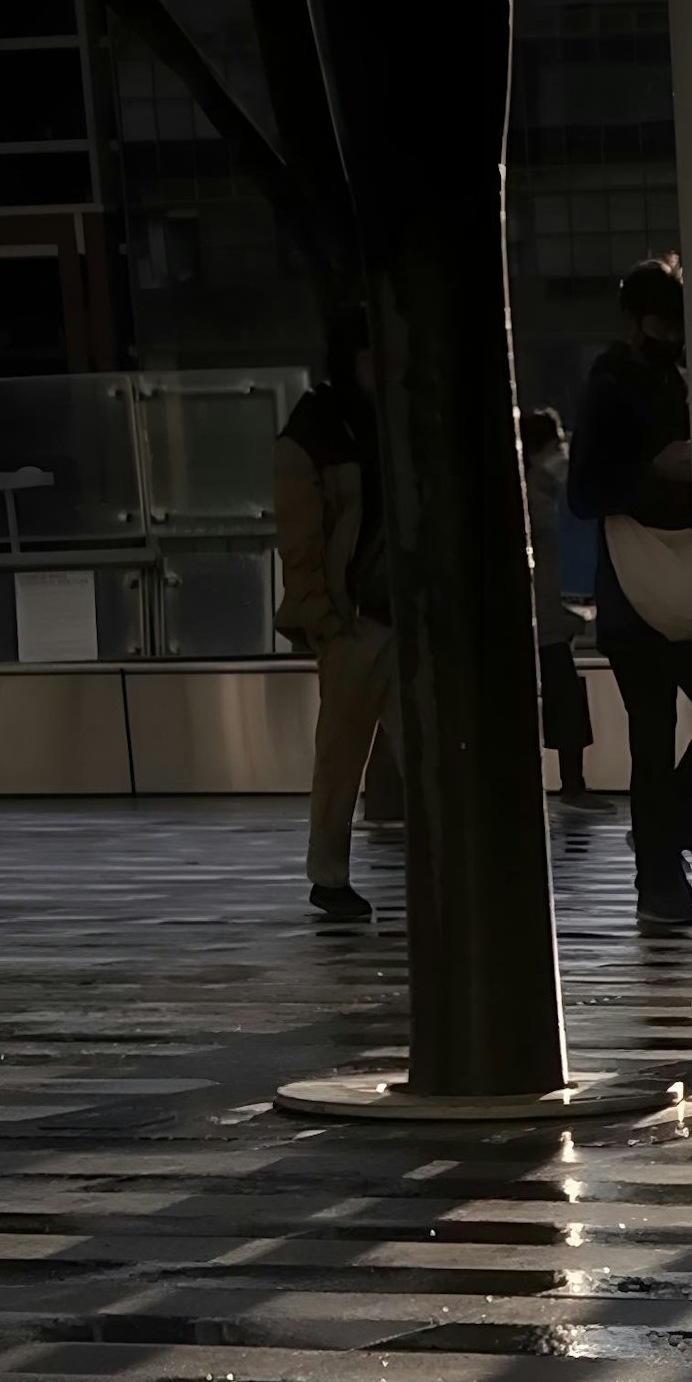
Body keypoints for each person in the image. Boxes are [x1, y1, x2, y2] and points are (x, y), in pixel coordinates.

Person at [568, 258, 692, 930]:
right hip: (642, 593)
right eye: (661, 324)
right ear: (634, 323)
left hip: (657, 589)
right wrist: (659, 471)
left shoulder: (674, 377)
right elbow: (585, 490)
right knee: (659, 737)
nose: (670, 337)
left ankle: (662, 855)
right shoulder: (614, 384)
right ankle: (660, 870)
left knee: (685, 733)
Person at [272, 317, 389, 927]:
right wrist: (322, 616)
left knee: (352, 749)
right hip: (357, 618)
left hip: (379, 614)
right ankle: (329, 874)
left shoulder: (341, 426)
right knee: (343, 753)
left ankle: (331, 878)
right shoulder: (320, 430)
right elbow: (301, 539)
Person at [520, 403, 597, 800]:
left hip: (555, 615)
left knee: (562, 696)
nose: (561, 452)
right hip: (546, 617)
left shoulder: (548, 491)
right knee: (564, 699)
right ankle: (573, 785)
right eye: (555, 444)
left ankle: (571, 783)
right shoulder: (537, 494)